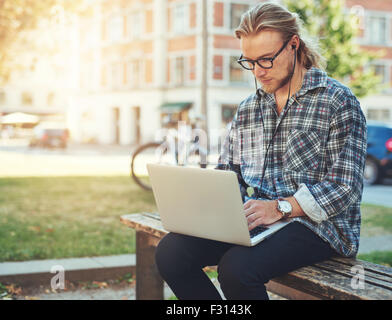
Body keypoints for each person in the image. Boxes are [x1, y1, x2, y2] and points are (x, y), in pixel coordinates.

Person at [155, 2, 367, 300]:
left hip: (321, 227)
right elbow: (230, 173)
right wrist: (215, 208)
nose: (257, 71)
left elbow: (346, 188)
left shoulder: (338, 101)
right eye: (249, 61)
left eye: (266, 60)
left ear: (294, 45)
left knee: (238, 269)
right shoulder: (248, 109)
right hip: (260, 222)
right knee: (171, 253)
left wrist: (279, 208)